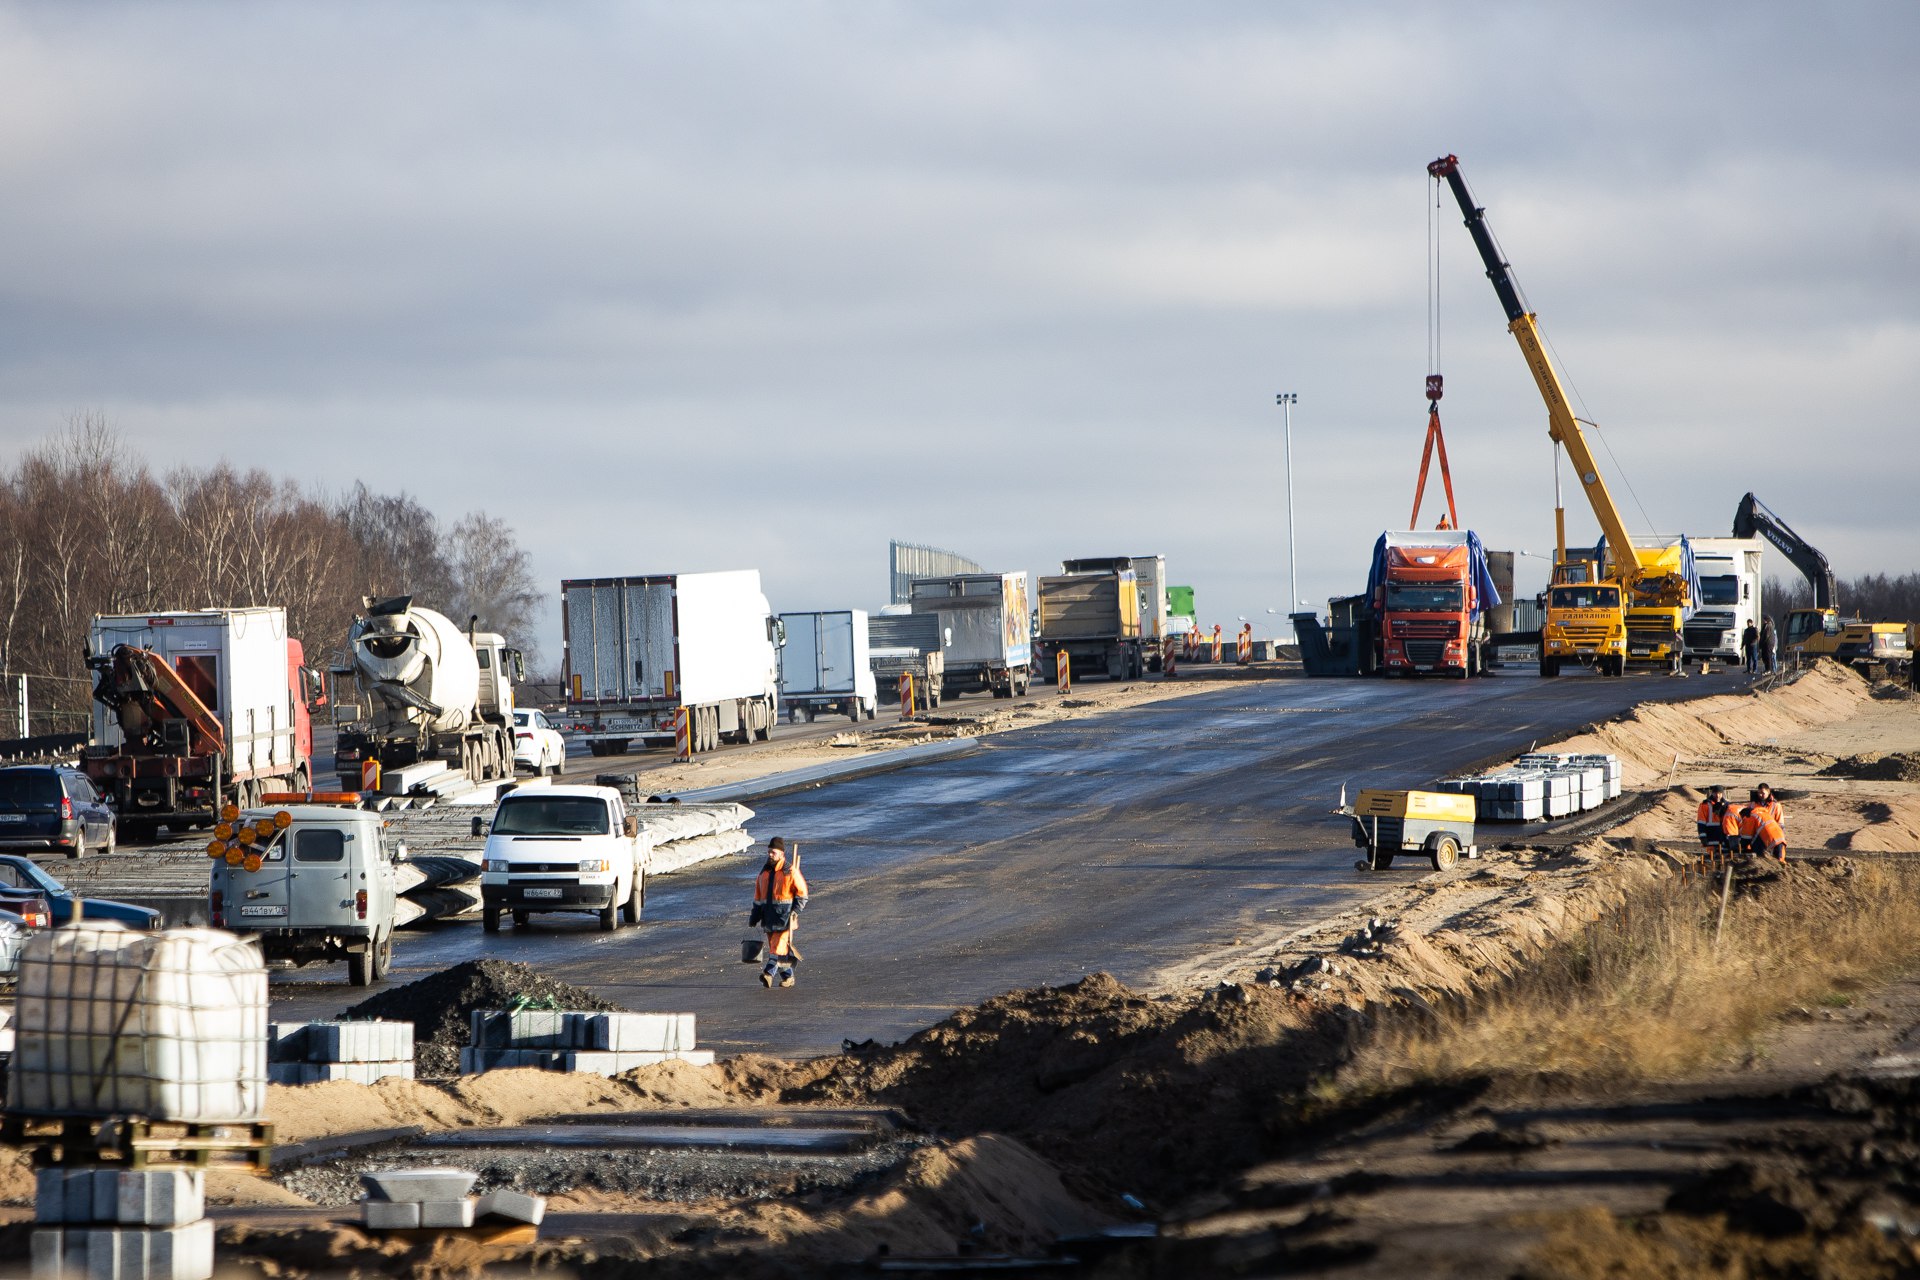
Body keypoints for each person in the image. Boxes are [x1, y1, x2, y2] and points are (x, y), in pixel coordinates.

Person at [749, 837, 809, 989]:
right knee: (779, 949)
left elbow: (802, 894)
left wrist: (795, 911)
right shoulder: (764, 873)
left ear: (781, 854)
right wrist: (755, 914)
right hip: (768, 918)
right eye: (769, 852)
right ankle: (788, 977)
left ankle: (768, 974)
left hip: (786, 918)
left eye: (773, 852)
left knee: (777, 948)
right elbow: (758, 895)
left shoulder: (790, 871)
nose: (770, 855)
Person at [1695, 785, 1733, 851]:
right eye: (1715, 793)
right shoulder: (1704, 805)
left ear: (1722, 794)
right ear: (1712, 793)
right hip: (1710, 837)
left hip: (1724, 838)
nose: (1717, 795)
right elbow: (1701, 822)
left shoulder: (1728, 805)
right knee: (1711, 857)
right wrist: (1703, 837)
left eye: (1719, 793)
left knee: (1726, 858)